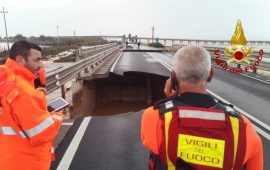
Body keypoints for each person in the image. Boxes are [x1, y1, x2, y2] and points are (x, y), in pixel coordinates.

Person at [141, 45, 263, 170]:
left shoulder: (155, 118)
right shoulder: (244, 127)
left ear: (173, 77)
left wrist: (169, 100)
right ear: (210, 75)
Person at [0, 40, 63, 170]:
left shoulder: (5, 80)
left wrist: (33, 96)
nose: (41, 65)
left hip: (7, 158)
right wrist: (56, 116)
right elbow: (43, 133)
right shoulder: (23, 91)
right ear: (20, 60)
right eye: (37, 60)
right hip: (26, 163)